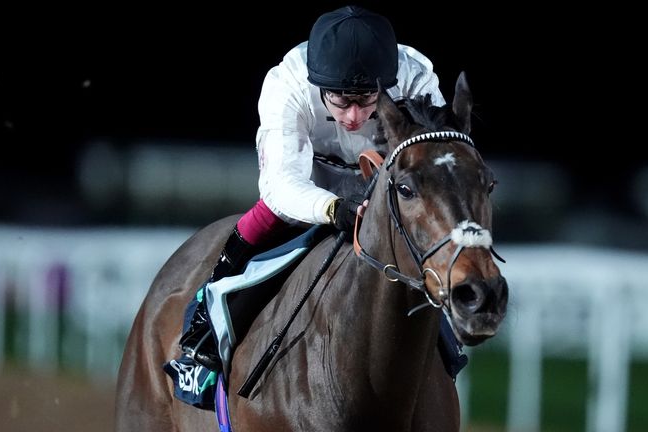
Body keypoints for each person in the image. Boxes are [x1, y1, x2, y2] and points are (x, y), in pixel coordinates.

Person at [177, 5, 465, 387]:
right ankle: (205, 326)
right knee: (267, 216)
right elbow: (281, 185)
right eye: (342, 101)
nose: (354, 117)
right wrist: (331, 208)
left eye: (366, 100)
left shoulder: (415, 78)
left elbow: (436, 165)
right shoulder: (287, 83)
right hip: (308, 180)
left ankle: (447, 337)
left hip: (381, 184)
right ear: (318, 85)